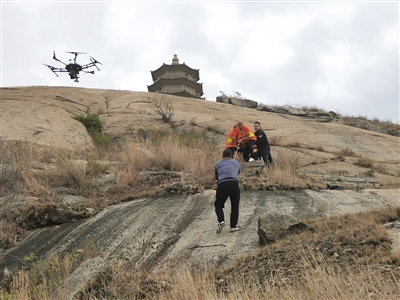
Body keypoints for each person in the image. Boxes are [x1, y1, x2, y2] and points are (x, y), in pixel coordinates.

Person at [214, 149, 241, 234]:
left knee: (218, 204)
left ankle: (221, 221)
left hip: (222, 184)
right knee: (235, 205)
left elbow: (216, 177)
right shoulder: (236, 162)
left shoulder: (217, 164)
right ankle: (233, 226)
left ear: (222, 156)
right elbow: (238, 172)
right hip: (234, 183)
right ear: (232, 156)